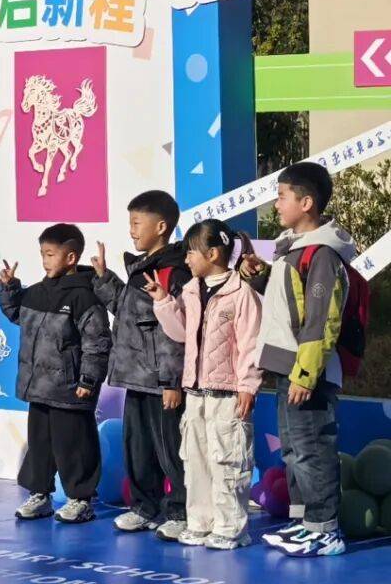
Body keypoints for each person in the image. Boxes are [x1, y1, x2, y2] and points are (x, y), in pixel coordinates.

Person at [240, 162, 355, 557]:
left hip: (308, 373)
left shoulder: (322, 254)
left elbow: (322, 321)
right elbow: (289, 304)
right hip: (289, 367)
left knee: (312, 449)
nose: (276, 204)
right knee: (294, 450)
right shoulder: (293, 250)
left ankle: (325, 530)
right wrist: (259, 276)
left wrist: (306, 374)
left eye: (282, 196)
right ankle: (304, 522)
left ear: (306, 203)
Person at [145, 219, 263, 550]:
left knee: (228, 460)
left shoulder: (241, 292)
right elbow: (181, 332)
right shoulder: (190, 290)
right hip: (195, 392)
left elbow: (251, 344)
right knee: (195, 461)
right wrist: (163, 302)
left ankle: (230, 527)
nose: (186, 259)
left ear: (212, 254)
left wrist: (248, 385)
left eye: (191, 253)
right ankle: (200, 521)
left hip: (228, 394)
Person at [91, 190, 191, 540]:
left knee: (171, 449)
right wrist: (104, 278)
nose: (131, 230)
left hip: (161, 382)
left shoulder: (174, 272)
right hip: (136, 377)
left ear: (161, 227)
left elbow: (173, 333)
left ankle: (181, 511)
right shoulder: (141, 269)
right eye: (130, 223)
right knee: (138, 447)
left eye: (137, 223)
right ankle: (145, 507)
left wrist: (171, 382)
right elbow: (126, 310)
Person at [0, 224, 112, 525]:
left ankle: (81, 500)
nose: (45, 261)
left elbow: (97, 342)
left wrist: (88, 380)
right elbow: (16, 313)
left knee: (74, 446)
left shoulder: (85, 297)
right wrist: (9, 288)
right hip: (39, 388)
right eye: (42, 254)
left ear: (71, 257)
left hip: (70, 390)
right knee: (40, 446)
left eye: (50, 254)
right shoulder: (37, 292)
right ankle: (40, 495)